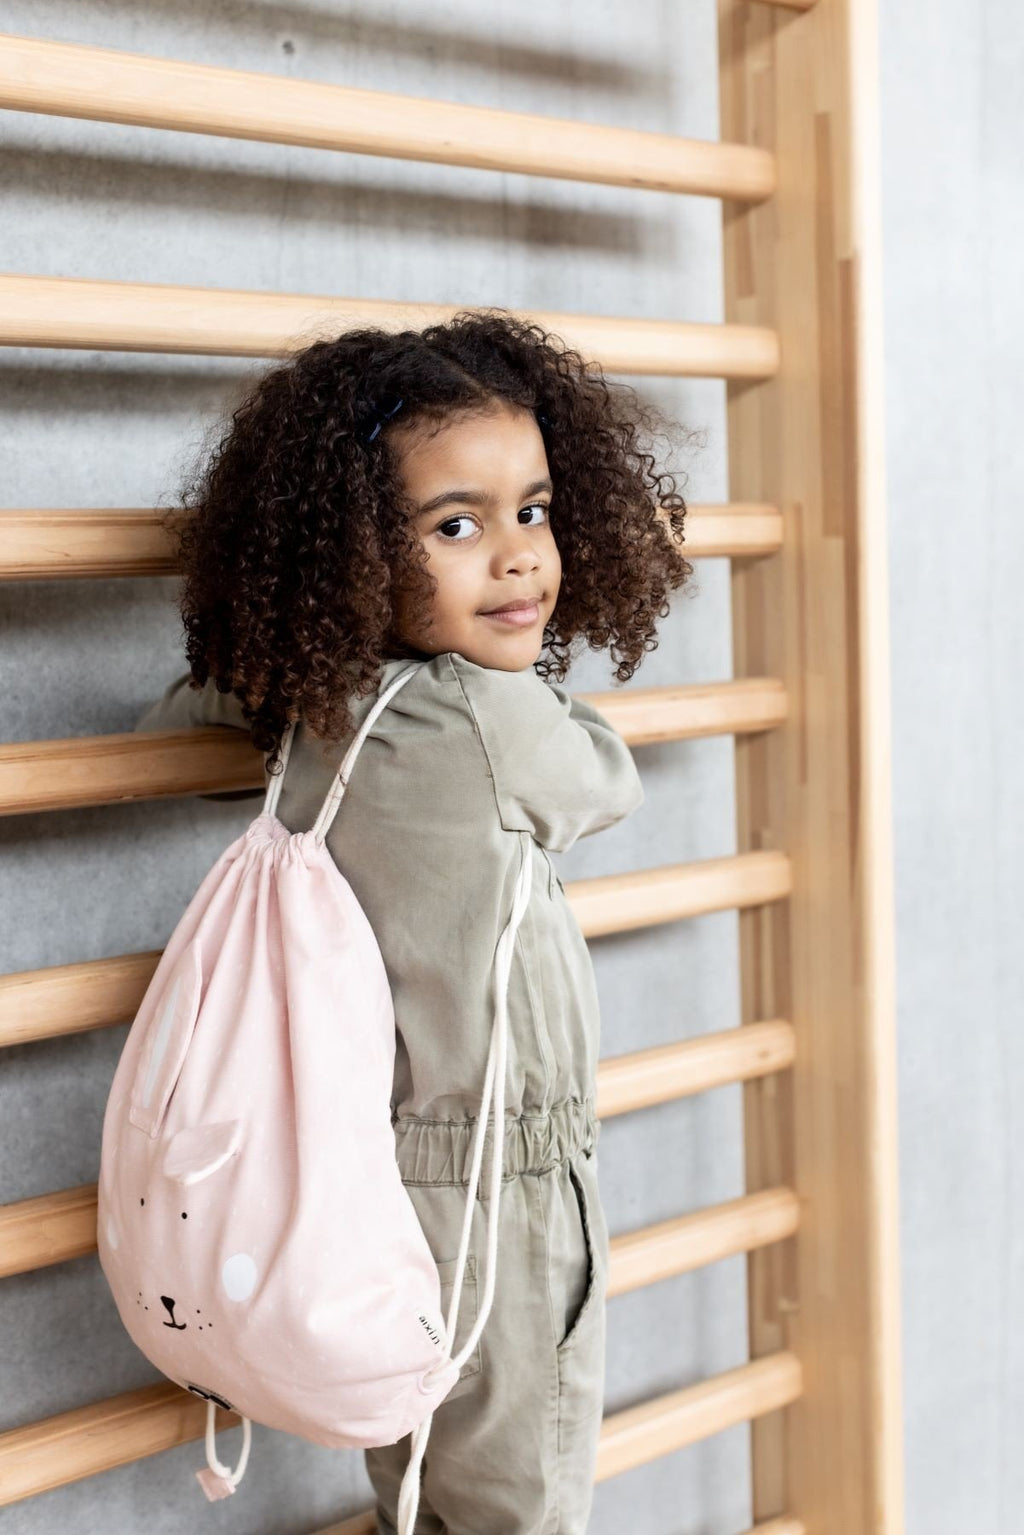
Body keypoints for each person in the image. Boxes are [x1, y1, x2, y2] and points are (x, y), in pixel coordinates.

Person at [133, 308, 694, 1533]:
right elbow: (600, 777)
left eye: (533, 510)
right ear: (353, 553)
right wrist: (515, 684)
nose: (517, 558)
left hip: (376, 1167)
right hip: (507, 1174)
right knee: (519, 1495)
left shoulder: (319, 697)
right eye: (456, 524)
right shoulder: (483, 717)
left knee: (425, 1483)